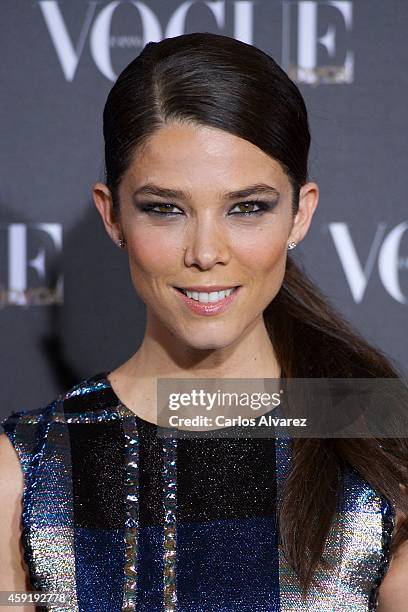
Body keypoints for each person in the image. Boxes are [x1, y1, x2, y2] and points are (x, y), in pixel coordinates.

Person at [0, 32, 407, 612]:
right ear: (112, 215)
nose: (206, 252)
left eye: (248, 208)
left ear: (300, 213)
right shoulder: (24, 474)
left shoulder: (383, 450)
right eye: (165, 209)